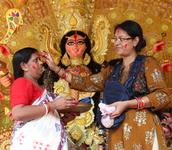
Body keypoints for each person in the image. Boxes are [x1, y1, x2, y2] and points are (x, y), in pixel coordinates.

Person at [42, 20, 170, 149]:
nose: (117, 43)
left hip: (141, 127)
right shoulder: (113, 69)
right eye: (115, 39)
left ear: (135, 41)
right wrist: (56, 69)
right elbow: (87, 83)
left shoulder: (148, 63)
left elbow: (162, 96)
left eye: (122, 39)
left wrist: (127, 104)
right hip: (117, 128)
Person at [9, 47, 79, 150]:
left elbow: (41, 122)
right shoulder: (21, 82)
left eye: (40, 60)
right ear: (24, 66)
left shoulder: (42, 89)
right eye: (36, 60)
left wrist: (62, 120)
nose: (41, 63)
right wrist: (54, 105)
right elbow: (18, 113)